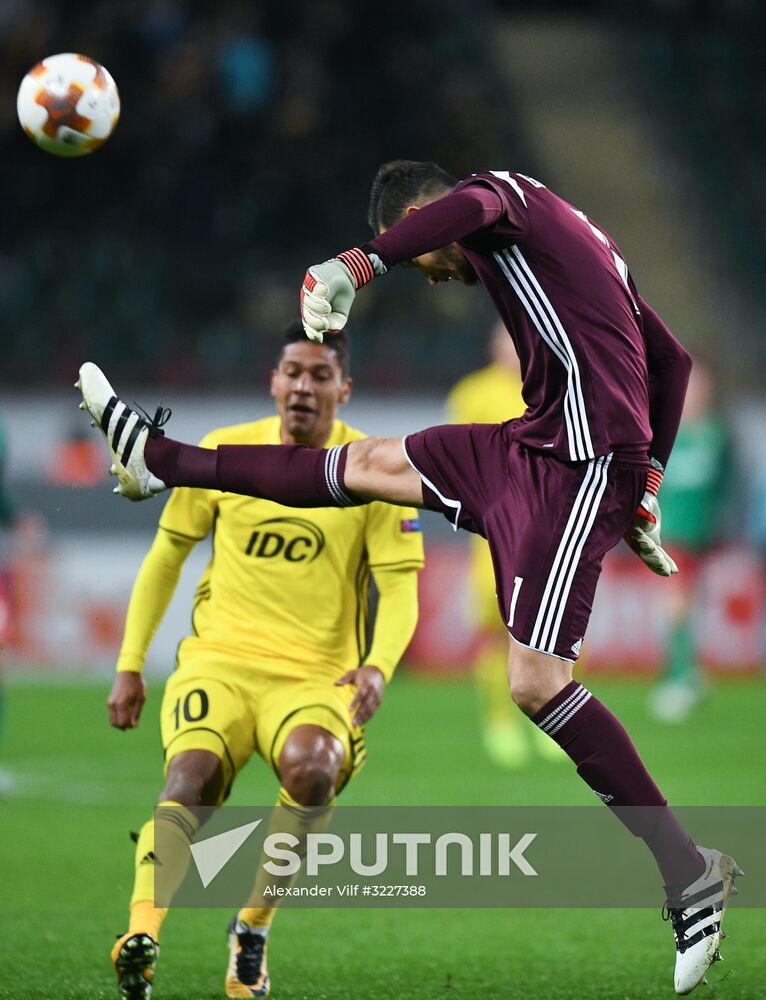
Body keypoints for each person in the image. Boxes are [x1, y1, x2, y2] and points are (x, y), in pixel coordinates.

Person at [77, 163, 742, 996]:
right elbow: (671, 362)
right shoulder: (577, 239)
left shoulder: (499, 201)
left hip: (579, 462)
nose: (441, 275)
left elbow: (475, 206)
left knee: (536, 683)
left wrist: (358, 265)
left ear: (422, 219)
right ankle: (159, 458)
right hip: (529, 445)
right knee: (362, 463)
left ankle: (689, 877)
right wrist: (651, 493)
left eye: (430, 259)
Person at [103, 322, 424, 999]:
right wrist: (130, 662)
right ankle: (141, 935)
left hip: (315, 675)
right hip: (219, 663)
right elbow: (166, 557)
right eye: (292, 372)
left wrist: (378, 666)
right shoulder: (223, 452)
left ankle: (251, 927)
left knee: (314, 771)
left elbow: (399, 588)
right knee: (189, 781)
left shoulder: (371, 470)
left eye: (318, 375)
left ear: (344, 388)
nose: (303, 387)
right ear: (273, 381)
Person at [447, 322, 564, 767]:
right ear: (494, 345)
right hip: (495, 533)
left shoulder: (556, 385)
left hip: (551, 528)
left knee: (558, 633)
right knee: (496, 633)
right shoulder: (472, 392)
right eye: (507, 340)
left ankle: (554, 723)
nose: (514, 349)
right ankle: (500, 724)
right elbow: (459, 458)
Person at [648, 360, 732, 723]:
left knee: (682, 602)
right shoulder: (666, 433)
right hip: (668, 530)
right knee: (676, 601)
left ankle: (683, 676)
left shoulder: (716, 435)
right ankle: (683, 675)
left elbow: (723, 486)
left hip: (700, 533)